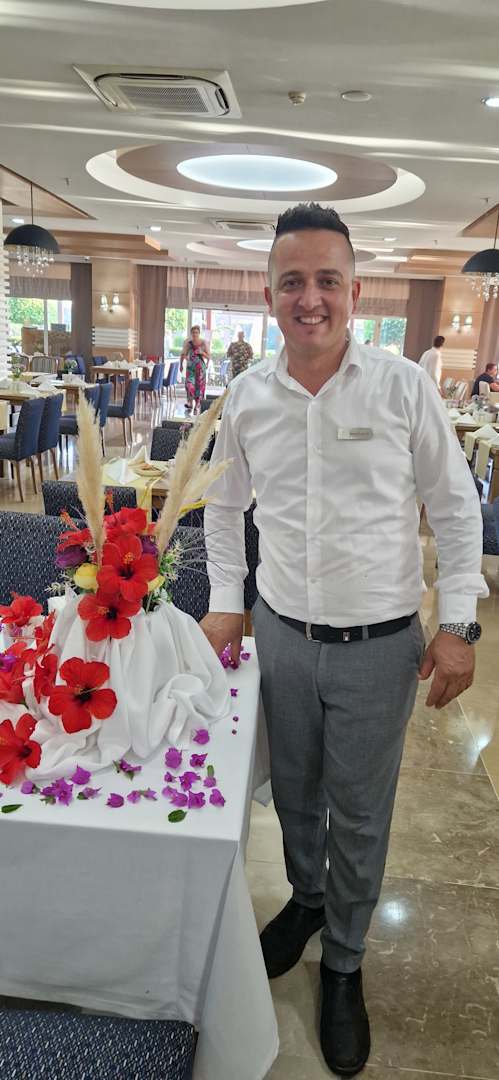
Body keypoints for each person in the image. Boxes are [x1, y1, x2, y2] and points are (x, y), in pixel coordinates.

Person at [200, 202, 487, 1078]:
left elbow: (455, 508)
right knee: (293, 794)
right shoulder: (247, 397)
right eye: (292, 281)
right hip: (282, 635)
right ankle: (307, 898)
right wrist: (225, 603)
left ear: (355, 293)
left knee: (359, 812)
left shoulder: (401, 387)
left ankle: (345, 961)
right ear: (269, 295)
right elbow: (223, 507)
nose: (310, 298)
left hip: (379, 645)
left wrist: (458, 624)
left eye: (327, 280)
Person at [179, 325, 210, 413]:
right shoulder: (188, 343)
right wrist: (181, 364)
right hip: (190, 368)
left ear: (199, 333)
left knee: (199, 387)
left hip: (200, 368)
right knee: (189, 385)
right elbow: (183, 354)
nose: (195, 334)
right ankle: (190, 402)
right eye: (193, 332)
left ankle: (197, 404)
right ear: (191, 333)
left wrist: (202, 352)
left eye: (196, 332)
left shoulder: (203, 343)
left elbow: (209, 356)